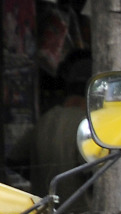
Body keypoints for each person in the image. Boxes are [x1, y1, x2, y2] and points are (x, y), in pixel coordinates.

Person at [31, 50, 91, 197]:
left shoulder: (45, 119)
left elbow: (15, 159)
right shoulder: (89, 125)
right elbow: (92, 174)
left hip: (42, 211)